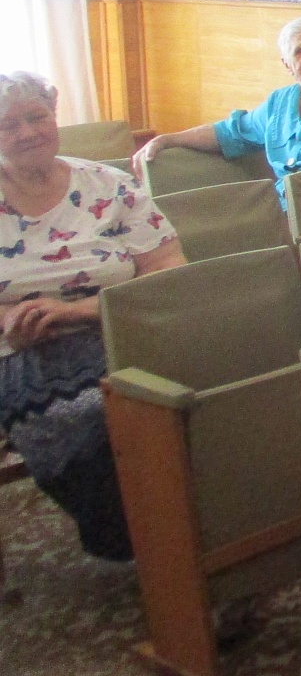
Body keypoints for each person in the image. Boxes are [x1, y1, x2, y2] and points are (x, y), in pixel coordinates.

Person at [0, 71, 186, 560]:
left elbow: (168, 266)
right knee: (91, 418)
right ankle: (151, 548)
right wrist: (12, 319)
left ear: (54, 116)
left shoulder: (108, 184)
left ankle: (199, 532)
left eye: (37, 117)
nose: (27, 133)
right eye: (9, 125)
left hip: (121, 326)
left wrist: (77, 310)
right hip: (25, 348)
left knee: (195, 392)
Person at [130, 14, 301, 197]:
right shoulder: (279, 103)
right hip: (283, 208)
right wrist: (167, 139)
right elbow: (228, 133)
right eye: (300, 51)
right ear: (287, 64)